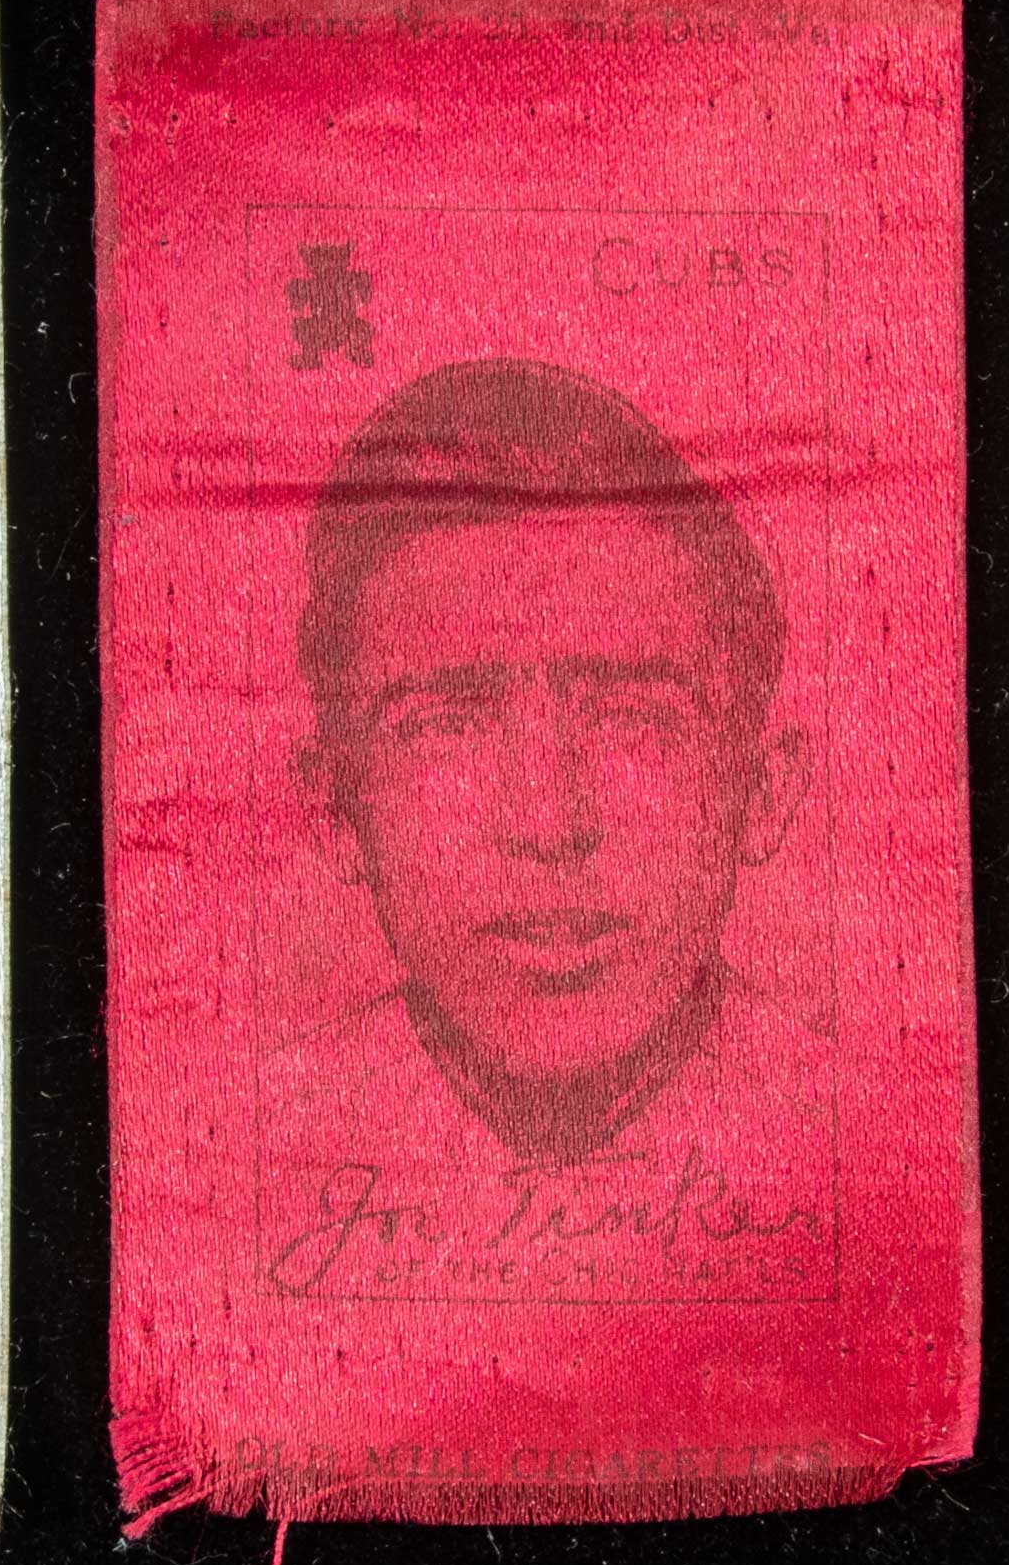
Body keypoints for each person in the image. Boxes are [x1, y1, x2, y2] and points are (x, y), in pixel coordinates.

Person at [257, 359, 833, 1300]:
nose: (548, 822)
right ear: (335, 811)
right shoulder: (251, 1143)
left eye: (633, 719)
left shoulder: (856, 1124)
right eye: (446, 723)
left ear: (763, 793)